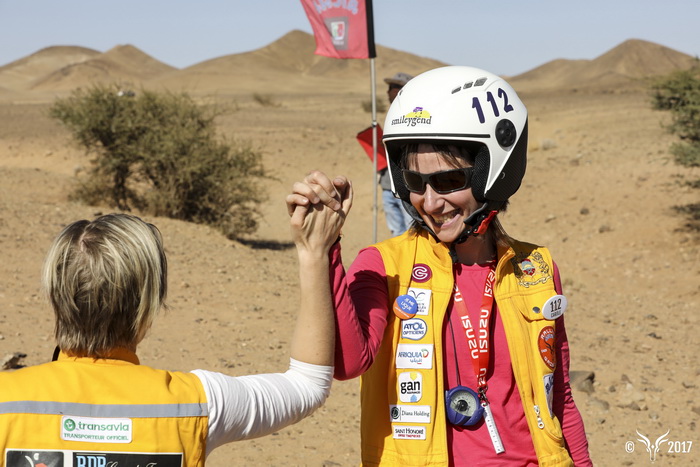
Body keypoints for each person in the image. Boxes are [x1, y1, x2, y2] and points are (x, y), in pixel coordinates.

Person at [287, 66, 592, 466]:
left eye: (449, 181)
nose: (430, 203)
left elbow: (559, 398)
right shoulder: (384, 265)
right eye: (416, 182)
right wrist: (323, 250)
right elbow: (348, 362)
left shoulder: (535, 267)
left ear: (495, 171)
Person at [0, 208, 350, 465]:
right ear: (147, 306)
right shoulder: (198, 402)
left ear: (55, 295)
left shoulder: (8, 400)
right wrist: (314, 251)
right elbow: (308, 385)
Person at [380, 72, 414, 236]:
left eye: (394, 88)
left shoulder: (415, 117)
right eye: (389, 88)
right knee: (396, 233)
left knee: (411, 230)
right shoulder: (389, 117)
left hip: (407, 185)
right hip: (388, 184)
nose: (389, 92)